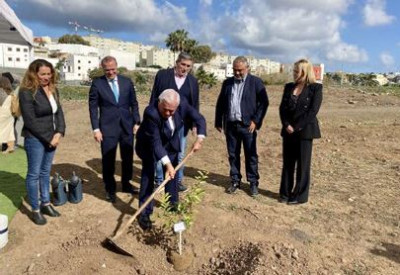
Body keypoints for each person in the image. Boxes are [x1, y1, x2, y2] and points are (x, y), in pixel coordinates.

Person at [135, 89, 206, 230]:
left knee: (172, 177)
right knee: (148, 177)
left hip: (170, 144)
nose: (168, 114)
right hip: (149, 146)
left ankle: (172, 205)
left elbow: (199, 119)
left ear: (177, 106)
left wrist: (200, 138)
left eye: (171, 111)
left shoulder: (182, 104)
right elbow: (156, 143)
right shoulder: (151, 113)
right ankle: (144, 214)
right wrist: (167, 164)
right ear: (159, 103)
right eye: (165, 109)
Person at [19, 59, 66, 225]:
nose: (46, 77)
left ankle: (46, 203)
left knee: (46, 172)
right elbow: (30, 120)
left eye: (49, 73)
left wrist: (59, 132)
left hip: (52, 138)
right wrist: (50, 138)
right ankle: (35, 208)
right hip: (35, 139)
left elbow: (59, 113)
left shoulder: (53, 89)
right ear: (34, 74)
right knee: (34, 174)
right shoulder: (26, 92)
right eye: (42, 74)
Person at [89, 56, 141, 203]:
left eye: (113, 69)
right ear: (102, 69)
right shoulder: (97, 84)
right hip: (107, 128)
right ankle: (110, 189)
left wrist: (137, 121)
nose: (110, 72)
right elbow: (93, 108)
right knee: (108, 160)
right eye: (107, 70)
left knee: (127, 158)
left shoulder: (126, 82)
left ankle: (126, 184)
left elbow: (134, 103)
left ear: (117, 67)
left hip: (127, 127)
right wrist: (96, 129)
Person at [215, 56, 269, 197]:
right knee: (233, 155)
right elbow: (221, 102)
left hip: (248, 126)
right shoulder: (227, 83)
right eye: (235, 70)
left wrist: (256, 121)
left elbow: (264, 103)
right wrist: (218, 121)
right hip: (231, 125)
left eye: (240, 70)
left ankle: (253, 183)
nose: (237, 73)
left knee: (251, 155)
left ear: (247, 68)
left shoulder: (255, 82)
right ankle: (235, 180)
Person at [149, 52, 200, 192]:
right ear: (177, 62)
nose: (185, 68)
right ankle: (159, 180)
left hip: (182, 125)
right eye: (183, 64)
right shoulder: (162, 75)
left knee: (179, 153)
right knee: (161, 152)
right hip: (162, 120)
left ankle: (177, 181)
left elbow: (195, 104)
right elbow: (154, 97)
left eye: (188, 66)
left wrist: (195, 123)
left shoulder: (192, 82)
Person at [279, 59, 323, 205]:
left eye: (297, 71)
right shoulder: (289, 87)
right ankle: (285, 193)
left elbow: (312, 111)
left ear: (304, 72)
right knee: (288, 164)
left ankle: (300, 196)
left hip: (305, 132)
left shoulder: (315, 88)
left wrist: (296, 127)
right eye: (294, 70)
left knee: (303, 166)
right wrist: (286, 124)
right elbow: (282, 108)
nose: (294, 73)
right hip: (288, 131)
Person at [0, 76, 15, 153]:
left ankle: (4, 147)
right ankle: (11, 147)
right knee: (9, 129)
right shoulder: (10, 91)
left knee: (1, 128)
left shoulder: (1, 91)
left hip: (3, 110)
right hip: (9, 111)